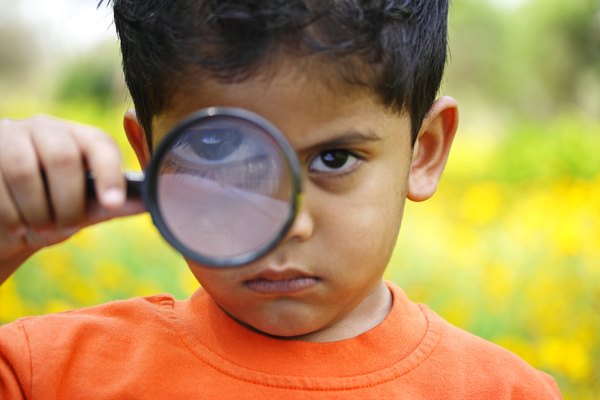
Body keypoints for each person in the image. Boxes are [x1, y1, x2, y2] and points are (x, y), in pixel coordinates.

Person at [0, 1, 562, 398]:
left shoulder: (503, 392)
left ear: (425, 151)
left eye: (335, 159)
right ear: (150, 160)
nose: (286, 223)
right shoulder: (47, 374)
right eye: (218, 150)